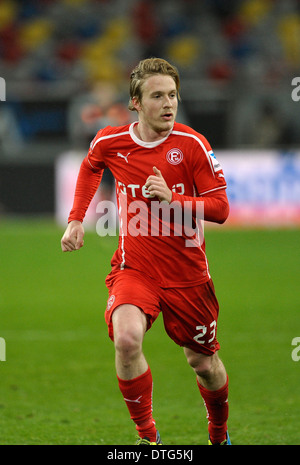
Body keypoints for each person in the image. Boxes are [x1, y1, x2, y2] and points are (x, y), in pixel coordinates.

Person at [61, 57, 231, 445]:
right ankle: (148, 438)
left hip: (188, 276)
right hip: (134, 268)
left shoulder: (192, 145)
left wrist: (174, 200)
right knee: (126, 339)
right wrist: (75, 219)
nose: (168, 104)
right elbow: (91, 166)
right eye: (157, 96)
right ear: (135, 103)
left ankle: (219, 434)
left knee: (203, 362)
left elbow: (221, 209)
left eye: (172, 95)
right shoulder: (111, 141)